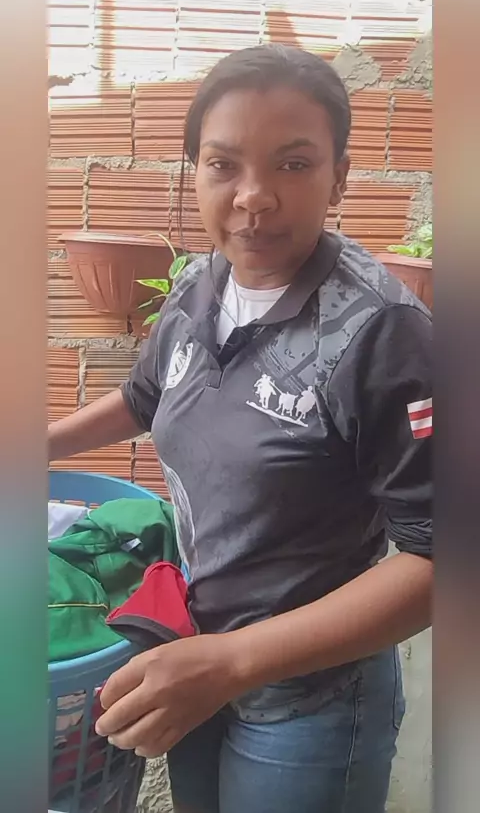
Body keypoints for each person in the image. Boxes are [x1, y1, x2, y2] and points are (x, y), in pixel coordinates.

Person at [48, 44, 432, 813]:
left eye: (293, 164)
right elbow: (147, 396)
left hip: (309, 699)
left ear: (339, 177)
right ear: (195, 171)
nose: (254, 197)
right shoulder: (200, 283)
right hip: (196, 653)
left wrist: (230, 663)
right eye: (224, 164)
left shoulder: (383, 334)